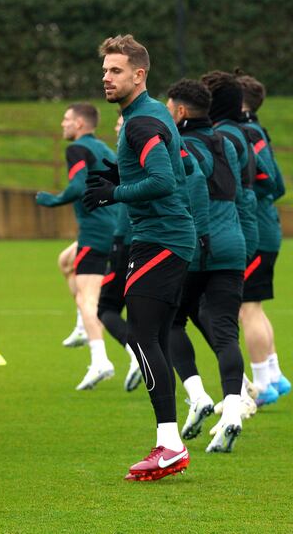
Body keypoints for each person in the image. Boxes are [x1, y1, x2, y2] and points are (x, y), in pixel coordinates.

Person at [85, 35, 195, 481]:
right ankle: (169, 441)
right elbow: (184, 164)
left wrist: (115, 192)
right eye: (105, 70)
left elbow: (166, 180)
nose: (106, 78)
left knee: (143, 335)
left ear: (139, 74)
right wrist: (120, 171)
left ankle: (170, 444)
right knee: (151, 335)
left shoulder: (140, 123)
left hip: (161, 238)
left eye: (115, 70)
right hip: (166, 236)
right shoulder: (147, 116)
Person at [165, 79, 249, 452]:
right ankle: (232, 409)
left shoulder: (177, 145)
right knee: (226, 332)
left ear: (180, 112)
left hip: (198, 244)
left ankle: (197, 395)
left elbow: (183, 194)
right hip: (233, 244)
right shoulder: (227, 144)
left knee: (171, 321)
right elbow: (244, 191)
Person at [36, 103, 118, 390]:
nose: (63, 124)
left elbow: (78, 186)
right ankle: (84, 327)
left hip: (96, 232)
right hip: (114, 227)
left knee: (88, 300)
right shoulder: (105, 150)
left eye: (67, 119)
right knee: (66, 261)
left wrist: (53, 200)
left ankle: (100, 360)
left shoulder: (77, 149)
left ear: (80, 124)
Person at [235, 72, 290, 400]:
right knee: (254, 306)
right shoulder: (254, 129)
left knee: (246, 308)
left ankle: (263, 386)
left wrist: (246, 192)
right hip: (265, 229)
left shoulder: (249, 131)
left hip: (257, 230)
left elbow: (272, 181)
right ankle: (274, 374)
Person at [96, 112, 143, 392]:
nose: (116, 126)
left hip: (127, 238)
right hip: (146, 237)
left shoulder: (131, 151)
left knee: (106, 308)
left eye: (119, 122)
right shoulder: (150, 151)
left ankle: (138, 354)